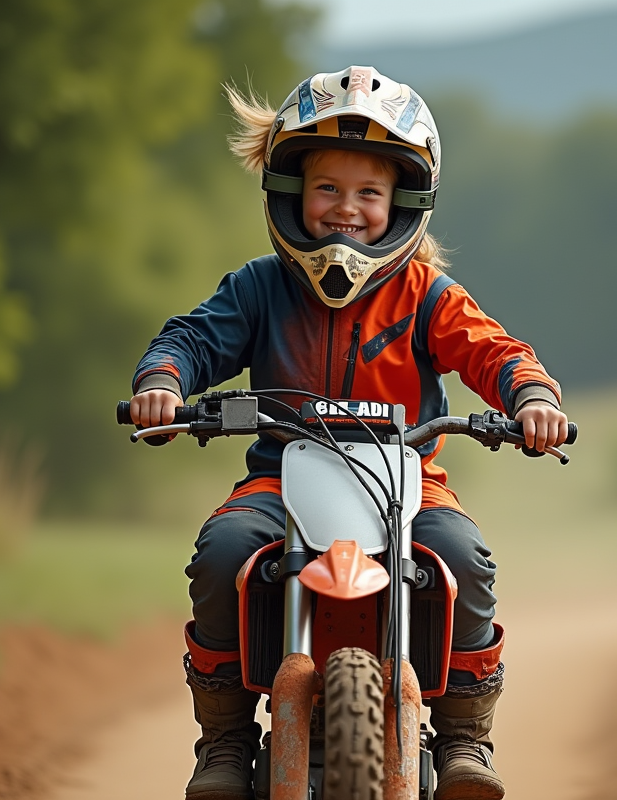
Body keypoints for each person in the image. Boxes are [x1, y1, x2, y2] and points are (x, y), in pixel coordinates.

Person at [129, 66, 568, 800]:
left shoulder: (425, 295)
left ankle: (464, 735)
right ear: (293, 193)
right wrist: (163, 384)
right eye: (328, 188)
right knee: (222, 552)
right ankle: (226, 741)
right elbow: (193, 340)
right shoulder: (258, 287)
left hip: (410, 483)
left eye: (369, 193)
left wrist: (530, 397)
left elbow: (493, 350)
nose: (346, 210)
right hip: (281, 480)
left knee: (466, 558)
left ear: (404, 203)